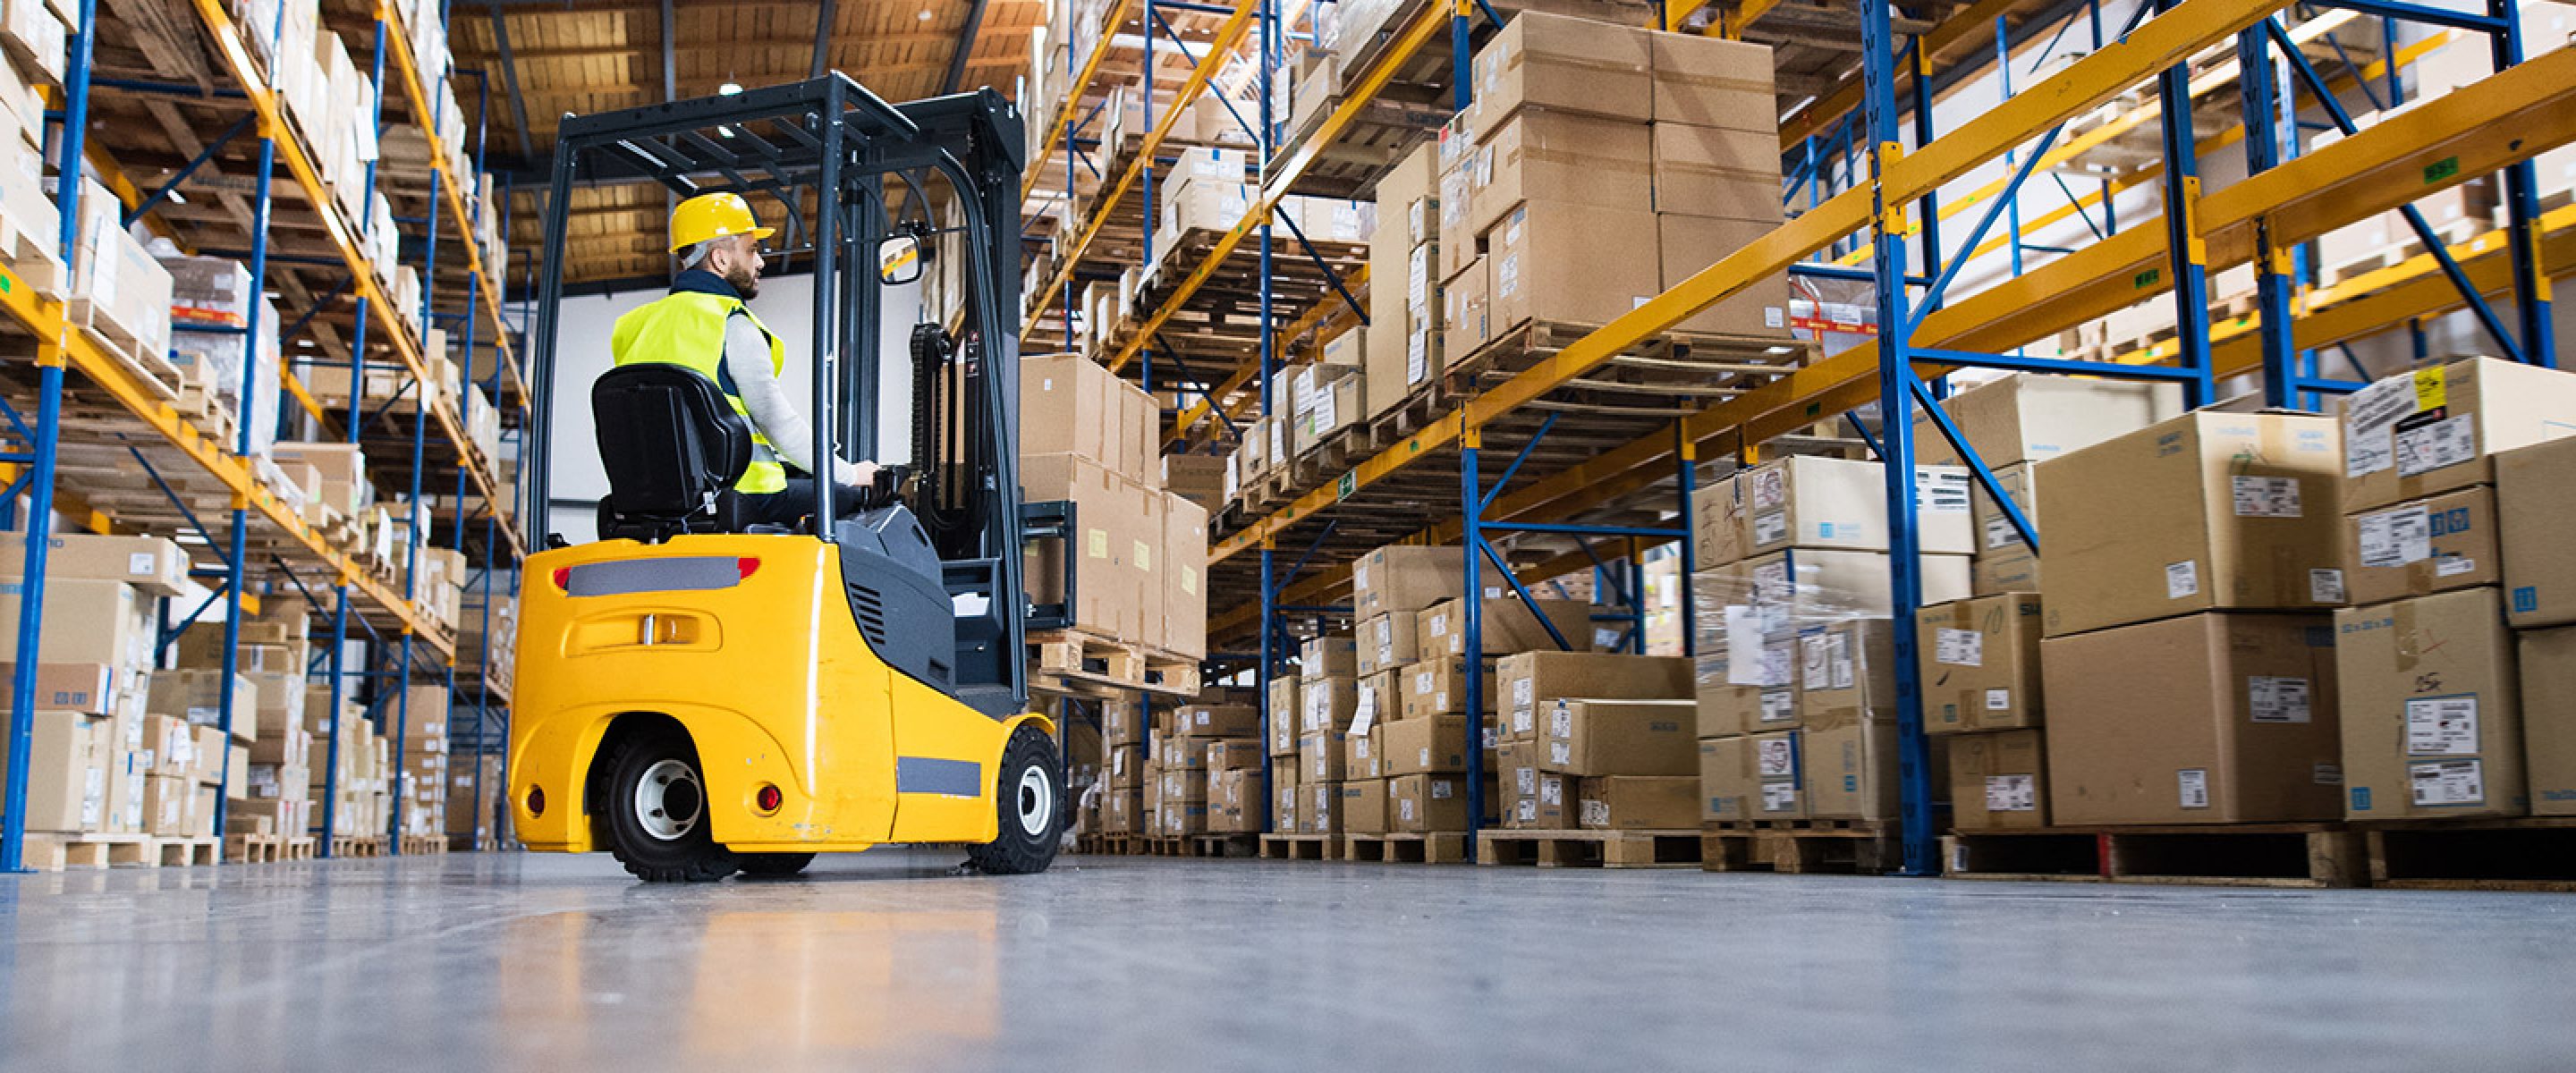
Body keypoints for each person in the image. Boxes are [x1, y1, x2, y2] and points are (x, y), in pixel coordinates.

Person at [608, 191, 877, 528]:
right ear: (720, 259)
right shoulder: (730, 323)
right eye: (752, 250)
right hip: (744, 493)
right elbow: (777, 422)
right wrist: (852, 475)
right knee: (865, 501)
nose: (760, 262)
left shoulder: (631, 327)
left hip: (660, 502)